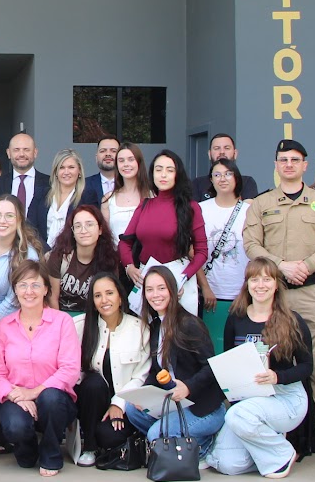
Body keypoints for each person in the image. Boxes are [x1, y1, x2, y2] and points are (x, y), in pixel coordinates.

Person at [242, 139, 315, 452]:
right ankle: (278, 428)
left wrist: (307, 265)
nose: (288, 165)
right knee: (271, 361)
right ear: (276, 165)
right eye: (283, 160)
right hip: (271, 295)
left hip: (311, 292)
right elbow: (251, 245)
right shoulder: (261, 204)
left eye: (295, 160)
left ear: (304, 165)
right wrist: (281, 266)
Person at [207, 258, 313, 478]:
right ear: (247, 284)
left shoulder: (293, 321)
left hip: (285, 398)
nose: (260, 285)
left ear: (276, 284)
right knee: (228, 464)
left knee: (235, 416)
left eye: (267, 279)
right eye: (254, 279)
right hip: (248, 400)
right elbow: (230, 361)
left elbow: (307, 367)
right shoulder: (236, 319)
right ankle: (265, 446)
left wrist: (277, 376)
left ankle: (282, 453)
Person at [0, 260, 82, 476]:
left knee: (51, 398)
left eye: (35, 285)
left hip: (54, 400)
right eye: (23, 285)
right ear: (15, 290)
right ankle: (28, 448)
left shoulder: (62, 322)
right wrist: (17, 396)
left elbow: (69, 369)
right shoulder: (3, 326)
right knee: (16, 429)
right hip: (16, 395)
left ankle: (51, 453)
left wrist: (34, 392)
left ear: (46, 289)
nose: (29, 291)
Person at [124, 265, 226, 458]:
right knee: (133, 410)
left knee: (156, 434)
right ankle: (174, 441)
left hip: (203, 407)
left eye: (161, 288)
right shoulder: (156, 326)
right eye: (150, 289)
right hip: (174, 403)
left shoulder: (189, 324)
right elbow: (157, 371)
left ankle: (204, 445)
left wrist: (188, 387)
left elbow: (211, 367)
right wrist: (143, 395)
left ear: (173, 290)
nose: (156, 295)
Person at [72, 271, 150, 467]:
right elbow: (73, 370)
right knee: (94, 382)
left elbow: (142, 374)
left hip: (123, 401)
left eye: (109, 293)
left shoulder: (139, 329)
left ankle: (109, 440)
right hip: (89, 401)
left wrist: (119, 403)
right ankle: (89, 447)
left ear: (120, 296)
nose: (104, 300)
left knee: (109, 437)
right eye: (98, 296)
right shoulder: (79, 326)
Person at [120, 150, 208, 315]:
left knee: (180, 336)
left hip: (179, 278)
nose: (163, 175)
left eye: (170, 170)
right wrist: (129, 267)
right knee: (147, 334)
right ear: (152, 173)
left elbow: (202, 251)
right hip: (147, 278)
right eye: (159, 169)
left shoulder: (191, 207)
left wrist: (182, 278)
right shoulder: (144, 205)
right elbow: (125, 242)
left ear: (177, 174)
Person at [197, 157, 249, 345]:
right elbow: (192, 252)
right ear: (211, 180)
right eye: (217, 175)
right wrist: (205, 287)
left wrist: (247, 291)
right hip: (211, 295)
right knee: (214, 346)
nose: (223, 179)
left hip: (242, 294)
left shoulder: (249, 210)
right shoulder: (200, 209)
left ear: (236, 177)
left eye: (228, 173)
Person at [46, 204, 123, 315]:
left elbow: (109, 300)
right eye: (77, 226)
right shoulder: (59, 257)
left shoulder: (110, 260)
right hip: (62, 317)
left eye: (89, 225)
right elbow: (53, 299)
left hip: (93, 318)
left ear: (100, 229)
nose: (83, 230)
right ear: (72, 232)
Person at [0, 133, 49, 233]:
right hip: (5, 242)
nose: (21, 154)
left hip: (40, 243)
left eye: (26, 149)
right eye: (16, 150)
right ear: (8, 153)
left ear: (35, 153)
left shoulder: (50, 184)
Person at [102, 142, 151, 246]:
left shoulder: (152, 197)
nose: (126, 164)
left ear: (139, 162)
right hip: (116, 258)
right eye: (121, 160)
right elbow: (105, 238)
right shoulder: (108, 199)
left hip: (146, 260)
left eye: (131, 159)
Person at [194, 133, 261, 200]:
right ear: (209, 154)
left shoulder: (247, 182)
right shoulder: (197, 184)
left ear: (235, 154)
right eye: (217, 148)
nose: (222, 152)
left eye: (227, 148)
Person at [42, 149, 86, 247]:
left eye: (71, 167)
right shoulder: (42, 194)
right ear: (56, 172)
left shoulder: (87, 197)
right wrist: (45, 252)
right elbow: (32, 228)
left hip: (72, 255)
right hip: (42, 254)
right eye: (61, 168)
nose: (66, 172)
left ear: (79, 171)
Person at [80, 136, 120, 207]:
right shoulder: (83, 185)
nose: (108, 154)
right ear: (96, 157)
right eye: (103, 151)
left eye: (113, 151)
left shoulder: (130, 185)